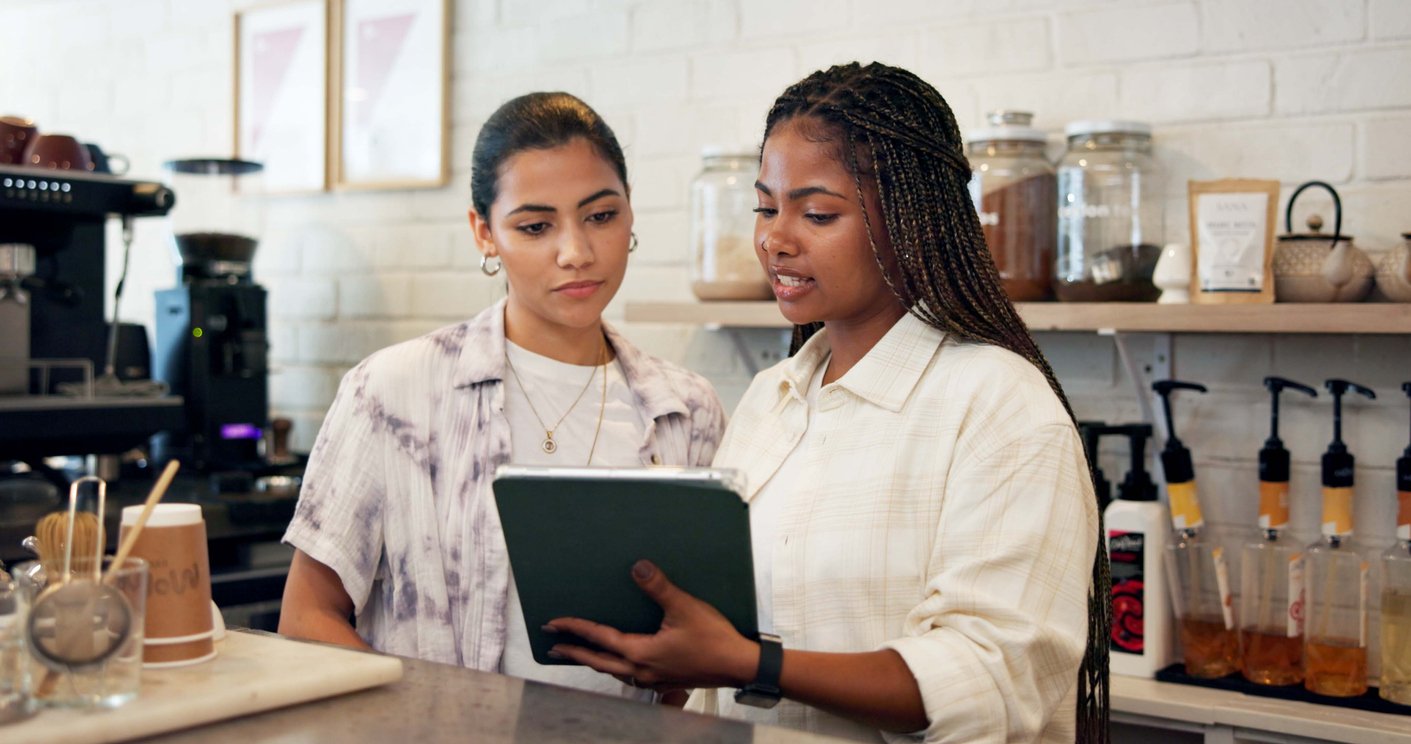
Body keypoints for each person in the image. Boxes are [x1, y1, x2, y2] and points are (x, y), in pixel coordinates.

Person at [544, 63, 1108, 742]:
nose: (774, 239)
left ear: (910, 220)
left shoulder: (999, 407)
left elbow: (988, 684)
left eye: (816, 213)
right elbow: (735, 638)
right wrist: (680, 665)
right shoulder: (770, 399)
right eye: (764, 207)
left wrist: (750, 664)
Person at [278, 92, 727, 703]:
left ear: (630, 214)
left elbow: (692, 661)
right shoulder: (391, 391)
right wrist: (423, 722)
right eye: (535, 227)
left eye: (600, 215)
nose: (576, 252)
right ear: (483, 232)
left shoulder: (687, 411)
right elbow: (307, 617)